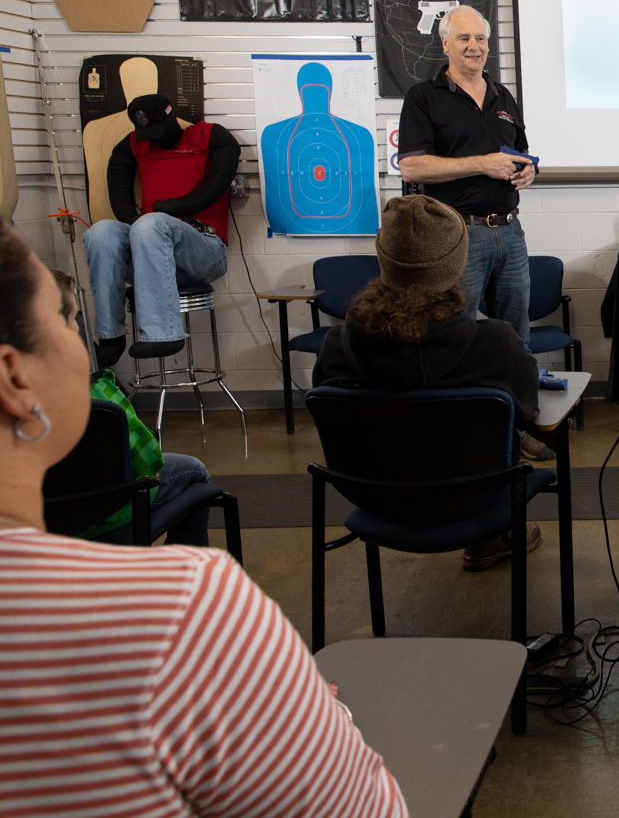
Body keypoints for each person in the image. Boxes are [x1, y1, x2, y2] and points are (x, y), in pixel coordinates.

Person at [0, 219, 408, 817]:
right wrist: (280, 711)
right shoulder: (182, 612)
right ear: (15, 378)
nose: (79, 336)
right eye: (66, 318)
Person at [313, 194, 549, 567]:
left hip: (374, 499)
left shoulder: (336, 346)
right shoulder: (497, 344)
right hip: (475, 498)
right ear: (457, 262)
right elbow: (526, 415)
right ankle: (489, 539)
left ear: (383, 260)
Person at [46, 268, 216, 547]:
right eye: (74, 316)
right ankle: (185, 579)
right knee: (194, 470)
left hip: (28, 521)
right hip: (101, 514)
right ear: (60, 326)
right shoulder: (96, 394)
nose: (78, 325)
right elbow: (150, 460)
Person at [397, 4, 537, 341]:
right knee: (454, 332)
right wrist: (481, 163)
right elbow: (411, 166)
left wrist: (529, 171)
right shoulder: (423, 97)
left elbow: (521, 152)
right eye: (463, 38)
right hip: (456, 234)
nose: (474, 45)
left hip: (509, 231)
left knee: (515, 335)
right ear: (446, 45)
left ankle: (513, 393)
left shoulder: (503, 96)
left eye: (480, 38)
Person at [82, 94, 239, 368]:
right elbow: (119, 193)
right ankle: (110, 336)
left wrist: (168, 208)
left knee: (151, 222)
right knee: (101, 232)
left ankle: (163, 334)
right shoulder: (134, 145)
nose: (152, 138)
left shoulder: (206, 135)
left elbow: (216, 186)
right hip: (150, 252)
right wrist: (142, 220)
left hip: (203, 249)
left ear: (171, 116)